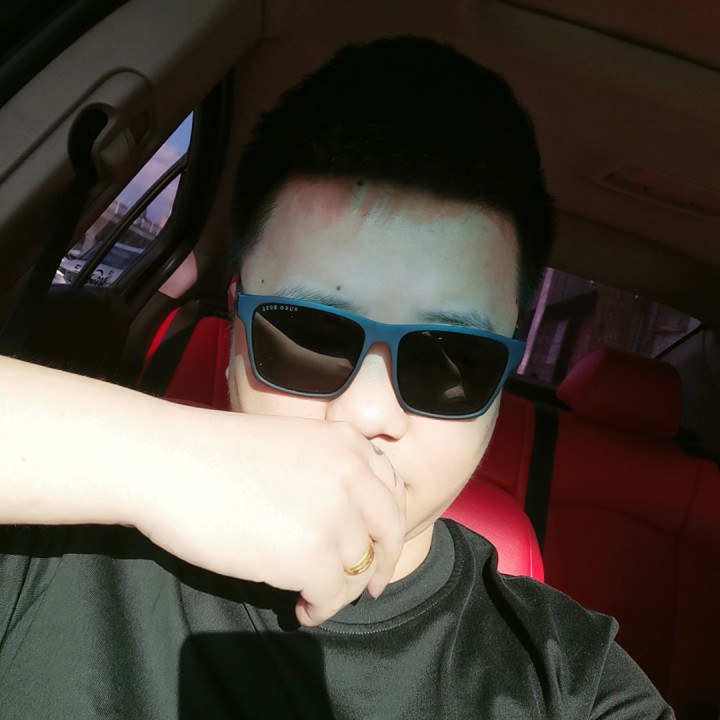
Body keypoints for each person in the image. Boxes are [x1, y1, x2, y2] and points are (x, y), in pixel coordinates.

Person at [0, 36, 673, 718]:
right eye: (309, 335)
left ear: (503, 375)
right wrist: (152, 460)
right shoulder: (53, 538)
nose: (368, 411)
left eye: (449, 357)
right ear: (235, 325)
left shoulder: (570, 682)